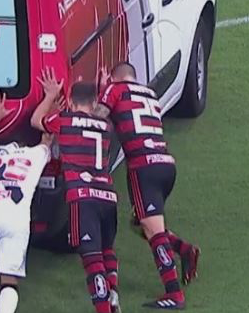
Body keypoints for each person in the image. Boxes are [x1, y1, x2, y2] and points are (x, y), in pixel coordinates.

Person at [96, 62, 200, 310]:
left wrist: (103, 91)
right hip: (165, 165)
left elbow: (97, 117)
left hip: (143, 167)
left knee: (153, 231)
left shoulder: (115, 90)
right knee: (141, 223)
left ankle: (174, 294)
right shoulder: (150, 94)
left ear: (115, 77)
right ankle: (184, 249)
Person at [32, 71, 120, 313]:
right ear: (93, 104)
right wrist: (104, 89)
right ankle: (113, 293)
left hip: (82, 197)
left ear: (70, 102)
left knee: (91, 260)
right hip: (108, 196)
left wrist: (50, 96)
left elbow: (35, 120)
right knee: (107, 249)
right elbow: (101, 112)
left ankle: (103, 308)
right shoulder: (106, 125)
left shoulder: (64, 119)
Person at [0, 91, 53, 313]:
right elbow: (47, 137)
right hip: (15, 218)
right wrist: (51, 100)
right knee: (9, 279)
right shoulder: (33, 157)